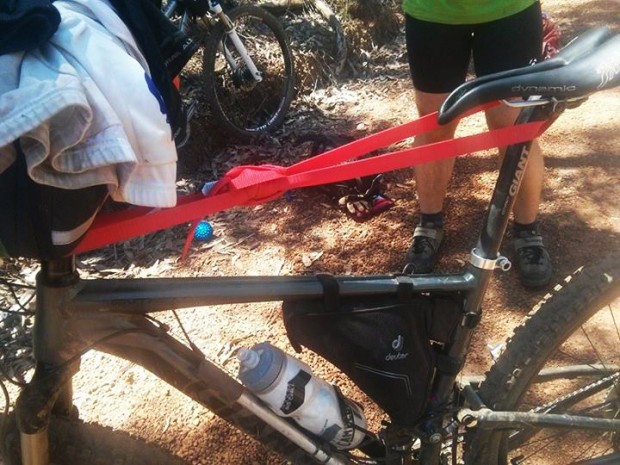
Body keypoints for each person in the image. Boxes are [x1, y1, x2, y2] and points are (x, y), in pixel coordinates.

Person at [402, 0, 553, 288]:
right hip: (433, 11)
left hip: (510, 9)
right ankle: (429, 225)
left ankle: (527, 232)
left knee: (513, 127)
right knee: (435, 124)